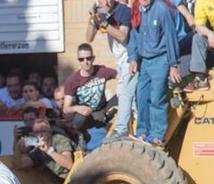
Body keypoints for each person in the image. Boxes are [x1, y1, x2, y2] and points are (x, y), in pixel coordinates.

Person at [127, 0, 182, 147]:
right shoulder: (136, 10)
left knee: (157, 97)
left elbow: (171, 37)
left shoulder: (163, 10)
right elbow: (133, 35)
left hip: (161, 59)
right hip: (144, 61)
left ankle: (157, 134)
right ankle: (142, 132)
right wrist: (133, 58)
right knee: (141, 96)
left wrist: (173, 65)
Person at [86, 0, 136, 139]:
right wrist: (92, 20)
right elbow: (88, 38)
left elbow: (123, 36)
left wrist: (105, 23)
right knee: (123, 95)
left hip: (131, 59)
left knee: (126, 94)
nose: (106, 2)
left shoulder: (123, 10)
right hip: (120, 63)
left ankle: (122, 130)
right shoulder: (100, 13)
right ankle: (128, 131)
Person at [62, 44, 119, 134]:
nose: (86, 62)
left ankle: (117, 126)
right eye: (82, 59)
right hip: (86, 114)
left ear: (93, 58)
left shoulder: (102, 71)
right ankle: (81, 136)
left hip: (103, 108)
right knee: (79, 118)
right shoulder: (72, 80)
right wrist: (77, 108)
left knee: (123, 95)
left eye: (88, 58)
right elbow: (65, 109)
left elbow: (122, 76)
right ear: (79, 60)